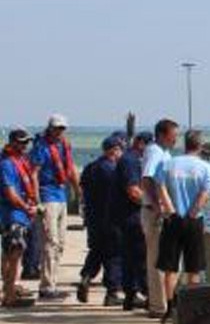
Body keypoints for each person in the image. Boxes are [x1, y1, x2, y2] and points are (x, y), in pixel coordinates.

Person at [156, 129, 210, 304]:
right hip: (194, 220)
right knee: (194, 267)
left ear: (185, 144)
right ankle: (192, 304)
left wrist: (169, 208)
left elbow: (160, 187)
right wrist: (193, 211)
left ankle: (171, 305)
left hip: (172, 218)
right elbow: (205, 193)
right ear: (200, 146)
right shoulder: (205, 167)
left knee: (170, 268)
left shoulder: (168, 163)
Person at [28, 114, 79, 300]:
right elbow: (34, 173)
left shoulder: (64, 146)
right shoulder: (41, 147)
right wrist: (37, 200)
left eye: (62, 128)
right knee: (50, 243)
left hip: (61, 195)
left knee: (60, 244)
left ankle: (53, 282)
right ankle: (47, 286)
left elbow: (71, 169)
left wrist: (79, 193)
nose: (59, 131)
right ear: (49, 128)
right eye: (57, 128)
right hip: (47, 196)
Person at [76, 135, 125, 305]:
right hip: (111, 218)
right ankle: (112, 292)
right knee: (114, 254)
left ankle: (87, 276)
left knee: (96, 250)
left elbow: (82, 189)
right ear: (114, 150)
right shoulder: (114, 170)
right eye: (120, 149)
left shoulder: (90, 168)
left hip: (93, 219)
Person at [140, 119, 180, 316]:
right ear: (163, 135)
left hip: (162, 211)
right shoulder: (155, 151)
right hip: (154, 212)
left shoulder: (164, 152)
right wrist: (157, 206)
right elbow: (147, 179)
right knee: (157, 259)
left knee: (166, 258)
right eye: (174, 135)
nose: (176, 139)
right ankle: (158, 306)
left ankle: (166, 301)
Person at [113, 132, 151, 311]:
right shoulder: (131, 160)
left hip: (125, 215)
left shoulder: (130, 159)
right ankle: (147, 293)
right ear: (141, 143)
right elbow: (133, 191)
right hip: (131, 216)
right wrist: (153, 205)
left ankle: (132, 295)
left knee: (130, 258)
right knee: (140, 256)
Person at [2, 128, 37, 308]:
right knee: (12, 254)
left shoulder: (21, 161)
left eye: (27, 142)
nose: (25, 145)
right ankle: (8, 295)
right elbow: (9, 192)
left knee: (13, 254)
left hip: (21, 214)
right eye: (22, 142)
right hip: (12, 214)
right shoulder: (7, 163)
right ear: (13, 142)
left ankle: (9, 291)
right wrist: (26, 207)